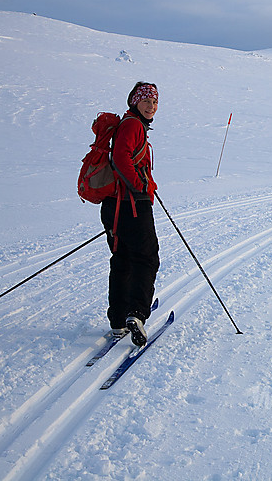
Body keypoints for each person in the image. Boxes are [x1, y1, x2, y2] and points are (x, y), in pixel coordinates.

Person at [101, 81, 160, 347]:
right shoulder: (133, 126)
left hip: (115, 205)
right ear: (135, 102)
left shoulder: (129, 124)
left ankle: (118, 319)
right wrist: (141, 185)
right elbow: (121, 159)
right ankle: (136, 314)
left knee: (122, 258)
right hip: (132, 205)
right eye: (146, 101)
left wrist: (145, 183)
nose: (151, 106)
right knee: (146, 258)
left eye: (155, 102)